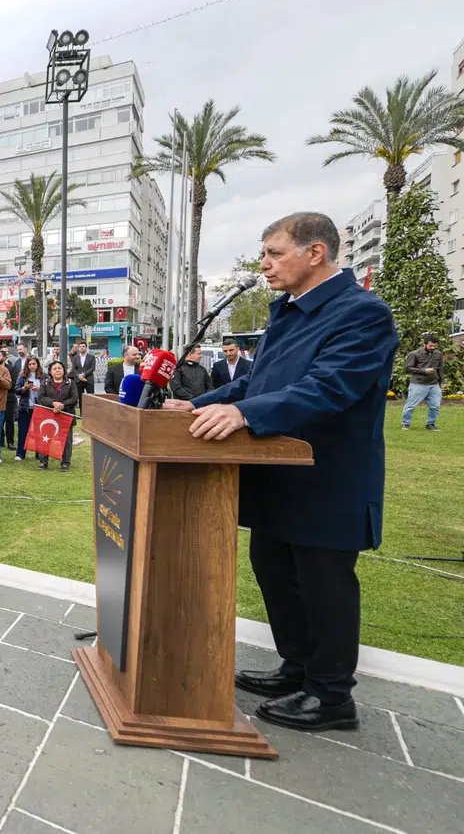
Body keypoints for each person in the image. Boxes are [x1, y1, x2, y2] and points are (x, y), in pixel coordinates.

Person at [164, 212, 398, 733]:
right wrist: (197, 405)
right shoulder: (288, 312)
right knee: (274, 570)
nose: (264, 265)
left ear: (315, 253)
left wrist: (244, 415)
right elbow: (256, 383)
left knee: (323, 584)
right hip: (277, 477)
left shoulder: (362, 313)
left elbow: (328, 388)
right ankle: (297, 666)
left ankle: (331, 695)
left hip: (326, 479)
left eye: (274, 253)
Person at [35, 360, 78, 472]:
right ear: (50, 372)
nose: (57, 370)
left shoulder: (70, 382)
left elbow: (74, 398)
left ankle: (65, 463)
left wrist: (61, 405)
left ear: (64, 370)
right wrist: (53, 403)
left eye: (59, 368)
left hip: (66, 415)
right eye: (54, 369)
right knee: (45, 439)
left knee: (66, 441)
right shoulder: (45, 382)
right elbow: (41, 397)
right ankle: (43, 461)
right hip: (49, 415)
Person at [402, 333, 443, 431]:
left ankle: (431, 424)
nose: (433, 348)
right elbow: (408, 368)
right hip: (418, 384)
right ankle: (405, 423)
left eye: (435, 346)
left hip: (434, 384)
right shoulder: (414, 354)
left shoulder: (438, 354)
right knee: (410, 406)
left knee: (435, 406)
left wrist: (442, 381)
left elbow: (440, 368)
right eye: (430, 346)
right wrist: (424, 370)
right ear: (424, 344)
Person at [14, 357, 43, 461]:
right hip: (25, 407)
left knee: (39, 431)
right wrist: (24, 388)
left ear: (37, 364)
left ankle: (39, 453)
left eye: (34, 364)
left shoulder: (44, 376)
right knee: (23, 431)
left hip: (39, 407)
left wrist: (39, 389)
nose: (32, 366)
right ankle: (20, 454)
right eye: (30, 364)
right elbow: (16, 390)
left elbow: (49, 390)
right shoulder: (22, 376)